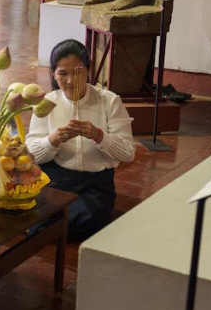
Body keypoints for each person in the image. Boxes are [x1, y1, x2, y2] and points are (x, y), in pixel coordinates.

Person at [27, 39, 136, 241]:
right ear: (53, 73)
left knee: (84, 219)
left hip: (94, 184)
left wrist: (99, 136)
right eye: (63, 73)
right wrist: (54, 140)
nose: (70, 81)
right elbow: (31, 154)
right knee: (30, 214)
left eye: (78, 72)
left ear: (88, 71)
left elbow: (128, 152)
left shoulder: (109, 101)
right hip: (56, 180)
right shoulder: (47, 103)